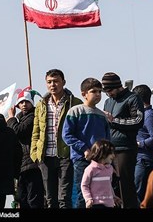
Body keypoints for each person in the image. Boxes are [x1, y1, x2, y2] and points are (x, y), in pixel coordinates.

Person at [30, 69, 83, 208]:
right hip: (45, 156)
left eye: (56, 81)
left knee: (64, 198)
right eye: (49, 82)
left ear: (63, 82)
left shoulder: (75, 103)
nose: (53, 85)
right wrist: (35, 153)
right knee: (49, 198)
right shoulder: (41, 105)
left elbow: (80, 130)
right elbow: (36, 131)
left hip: (66, 155)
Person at [62, 78, 111, 208]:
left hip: (100, 162)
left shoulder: (102, 115)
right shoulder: (75, 111)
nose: (97, 94)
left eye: (100, 91)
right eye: (93, 91)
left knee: (100, 196)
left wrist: (108, 157)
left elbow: (107, 140)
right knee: (83, 194)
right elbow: (67, 135)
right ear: (84, 94)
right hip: (81, 160)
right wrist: (84, 149)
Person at [102, 72, 144, 208]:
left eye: (110, 90)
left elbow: (138, 121)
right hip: (109, 150)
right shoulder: (108, 101)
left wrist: (114, 121)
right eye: (106, 91)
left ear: (118, 86)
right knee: (112, 186)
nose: (108, 94)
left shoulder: (133, 98)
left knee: (125, 185)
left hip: (125, 149)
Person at [7, 87, 45, 209]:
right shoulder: (20, 119)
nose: (24, 105)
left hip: (31, 163)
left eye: (27, 102)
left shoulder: (32, 116)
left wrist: (11, 118)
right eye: (21, 102)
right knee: (23, 199)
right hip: (22, 165)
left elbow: (19, 131)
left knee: (33, 198)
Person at [132, 84, 153, 204]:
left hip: (146, 162)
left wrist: (139, 144)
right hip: (143, 160)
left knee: (140, 195)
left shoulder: (149, 116)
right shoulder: (143, 115)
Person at [81, 139, 122, 208]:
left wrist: (113, 196)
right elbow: (84, 185)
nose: (113, 156)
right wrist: (88, 199)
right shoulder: (90, 169)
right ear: (102, 154)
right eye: (111, 153)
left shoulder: (110, 168)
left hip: (109, 203)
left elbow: (109, 185)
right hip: (96, 204)